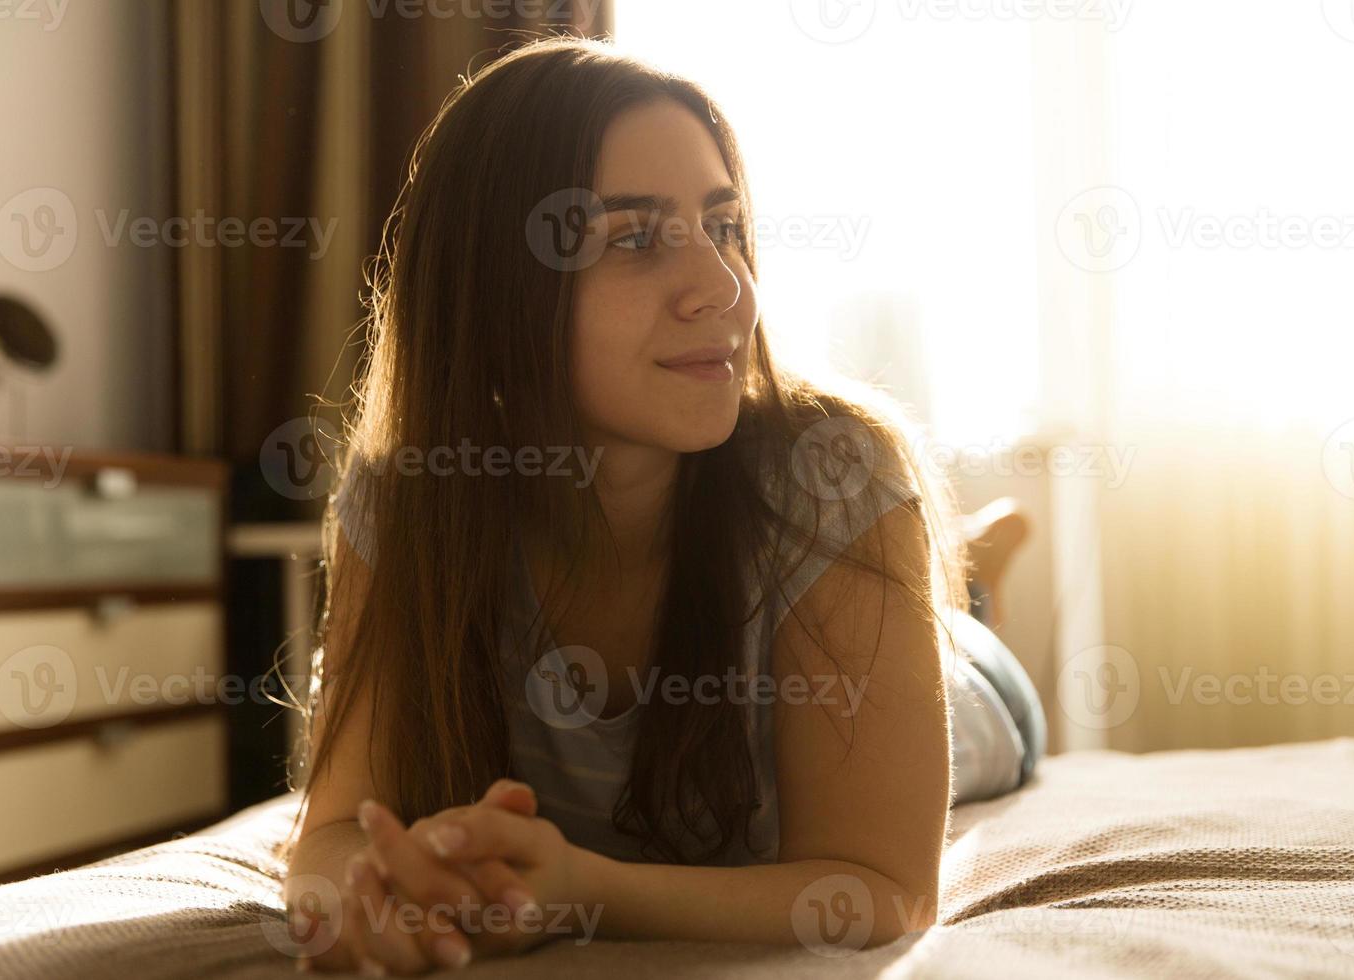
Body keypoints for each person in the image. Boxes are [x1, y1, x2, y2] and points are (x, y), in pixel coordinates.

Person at [286, 36, 1044, 974]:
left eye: (725, 227)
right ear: (493, 291)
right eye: (637, 240)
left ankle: (970, 592)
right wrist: (375, 897)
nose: (726, 289)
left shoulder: (839, 474)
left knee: (972, 667)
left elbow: (886, 887)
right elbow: (327, 838)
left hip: (967, 699)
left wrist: (581, 894)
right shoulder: (406, 500)